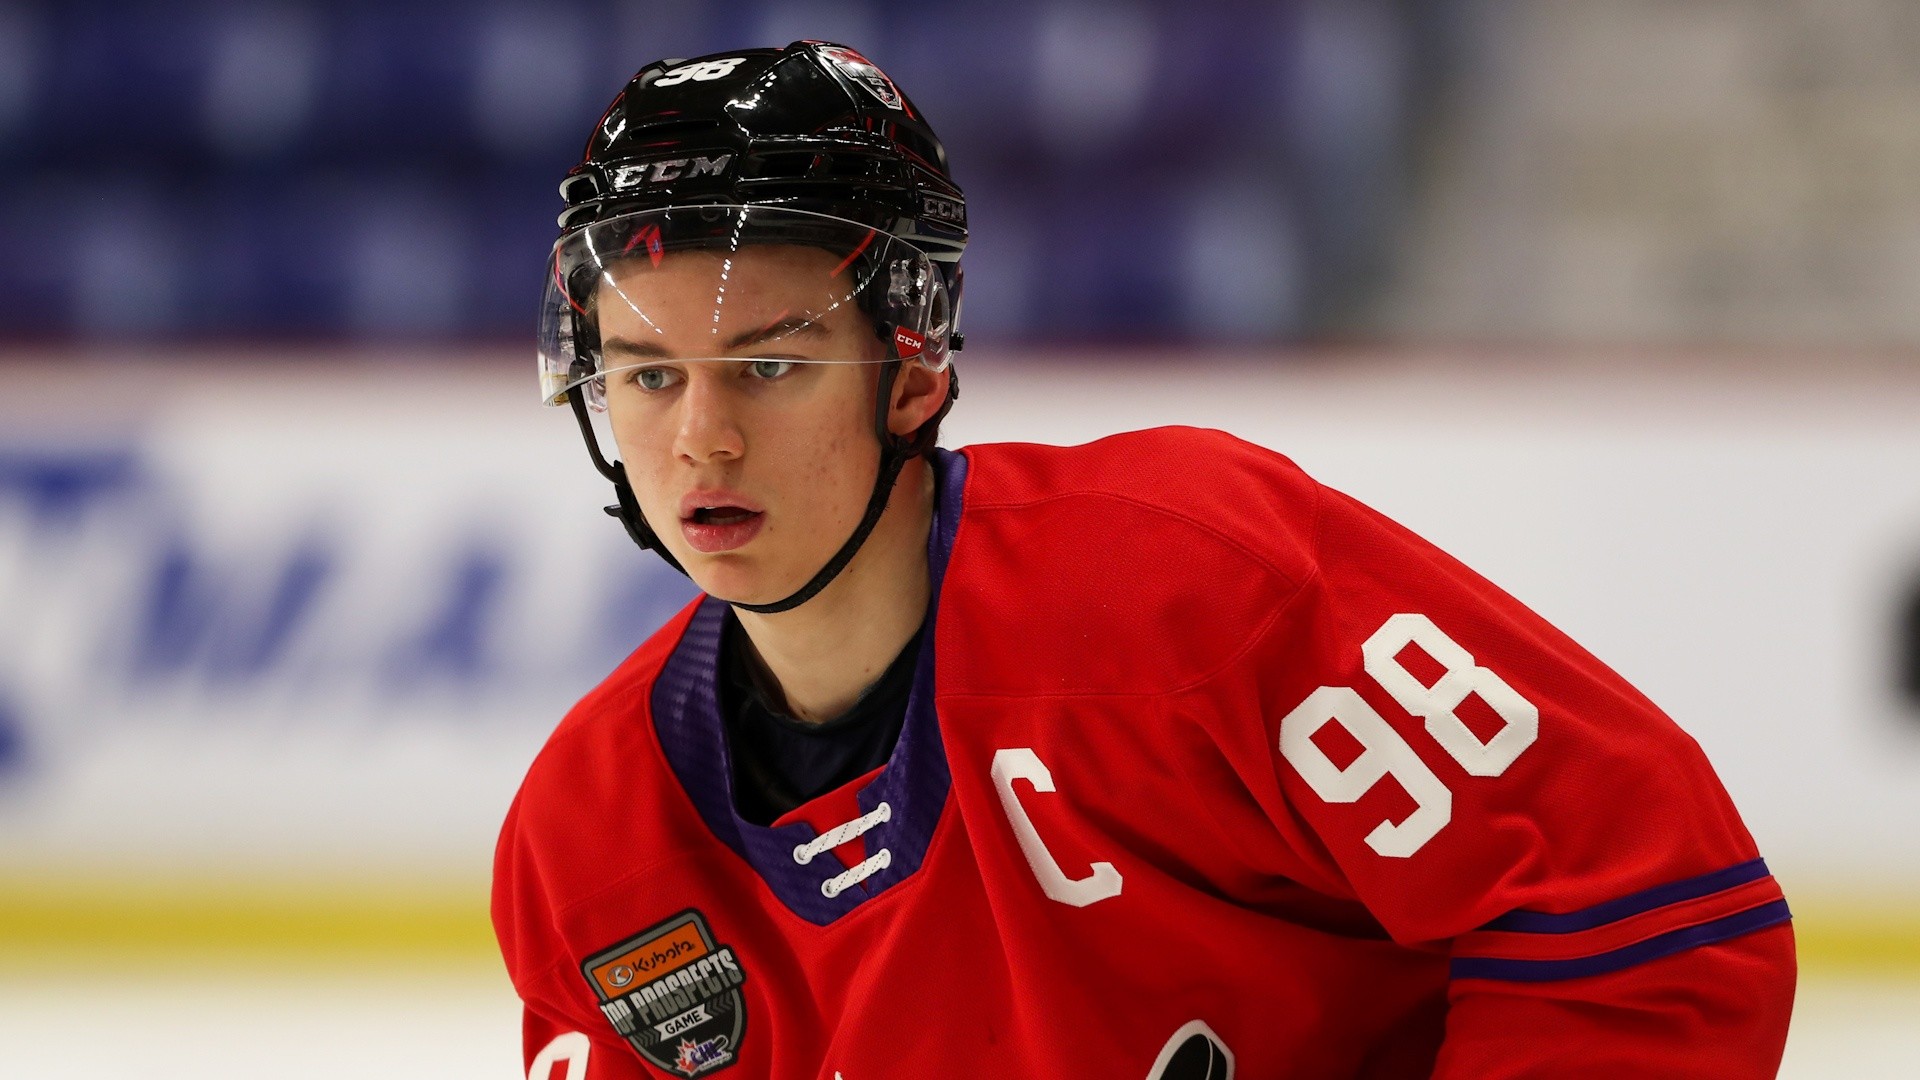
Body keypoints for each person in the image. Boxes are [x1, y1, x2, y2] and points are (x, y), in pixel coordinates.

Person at [492, 41, 1796, 1079]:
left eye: (771, 365)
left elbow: (1647, 907)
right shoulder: (588, 845)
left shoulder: (1180, 584)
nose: (701, 440)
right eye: (649, 374)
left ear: (911, 364)